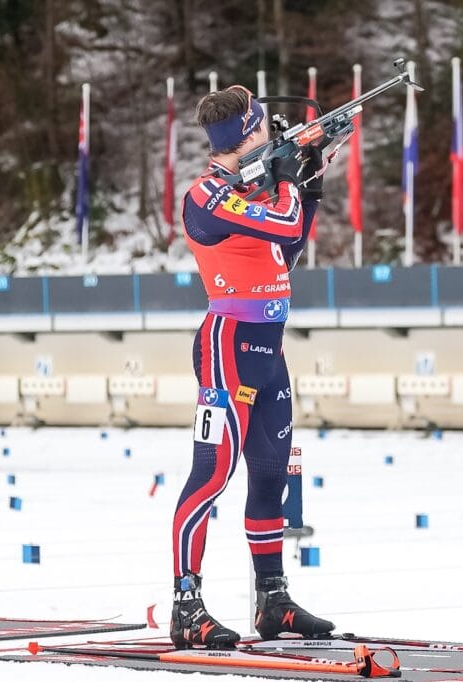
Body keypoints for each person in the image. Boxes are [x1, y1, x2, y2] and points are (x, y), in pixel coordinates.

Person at [170, 85, 335, 648]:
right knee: (211, 473)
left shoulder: (253, 191)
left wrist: (309, 179)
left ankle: (274, 601)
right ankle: (186, 605)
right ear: (246, 135)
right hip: (228, 346)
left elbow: (287, 247)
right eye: (266, 129)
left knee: (271, 476)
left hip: (270, 348)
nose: (273, 134)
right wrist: (290, 179)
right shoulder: (207, 196)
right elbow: (283, 223)